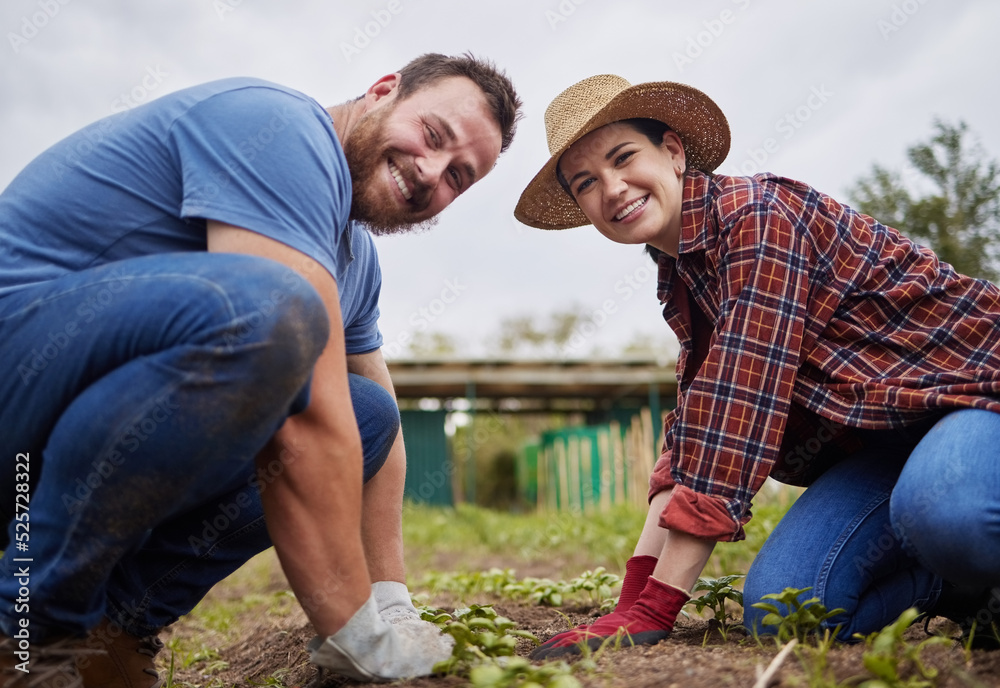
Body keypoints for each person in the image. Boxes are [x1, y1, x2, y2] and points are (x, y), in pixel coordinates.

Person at [0, 52, 521, 686]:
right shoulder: (280, 129)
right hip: (19, 378)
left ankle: (112, 629)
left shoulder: (354, 261)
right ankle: (29, 628)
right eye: (433, 136)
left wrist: (392, 599)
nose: (430, 171)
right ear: (384, 91)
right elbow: (307, 411)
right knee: (267, 314)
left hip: (67, 437)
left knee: (371, 416)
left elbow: (372, 426)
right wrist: (357, 630)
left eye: (458, 177)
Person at [514, 74, 1000, 658]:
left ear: (672, 151)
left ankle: (966, 545)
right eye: (587, 183)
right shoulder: (685, 274)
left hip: (972, 395)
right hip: (889, 438)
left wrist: (657, 607)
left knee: (950, 517)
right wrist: (631, 600)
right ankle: (967, 590)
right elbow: (696, 430)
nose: (612, 189)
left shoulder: (758, 218)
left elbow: (738, 414)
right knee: (788, 611)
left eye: (624, 158)